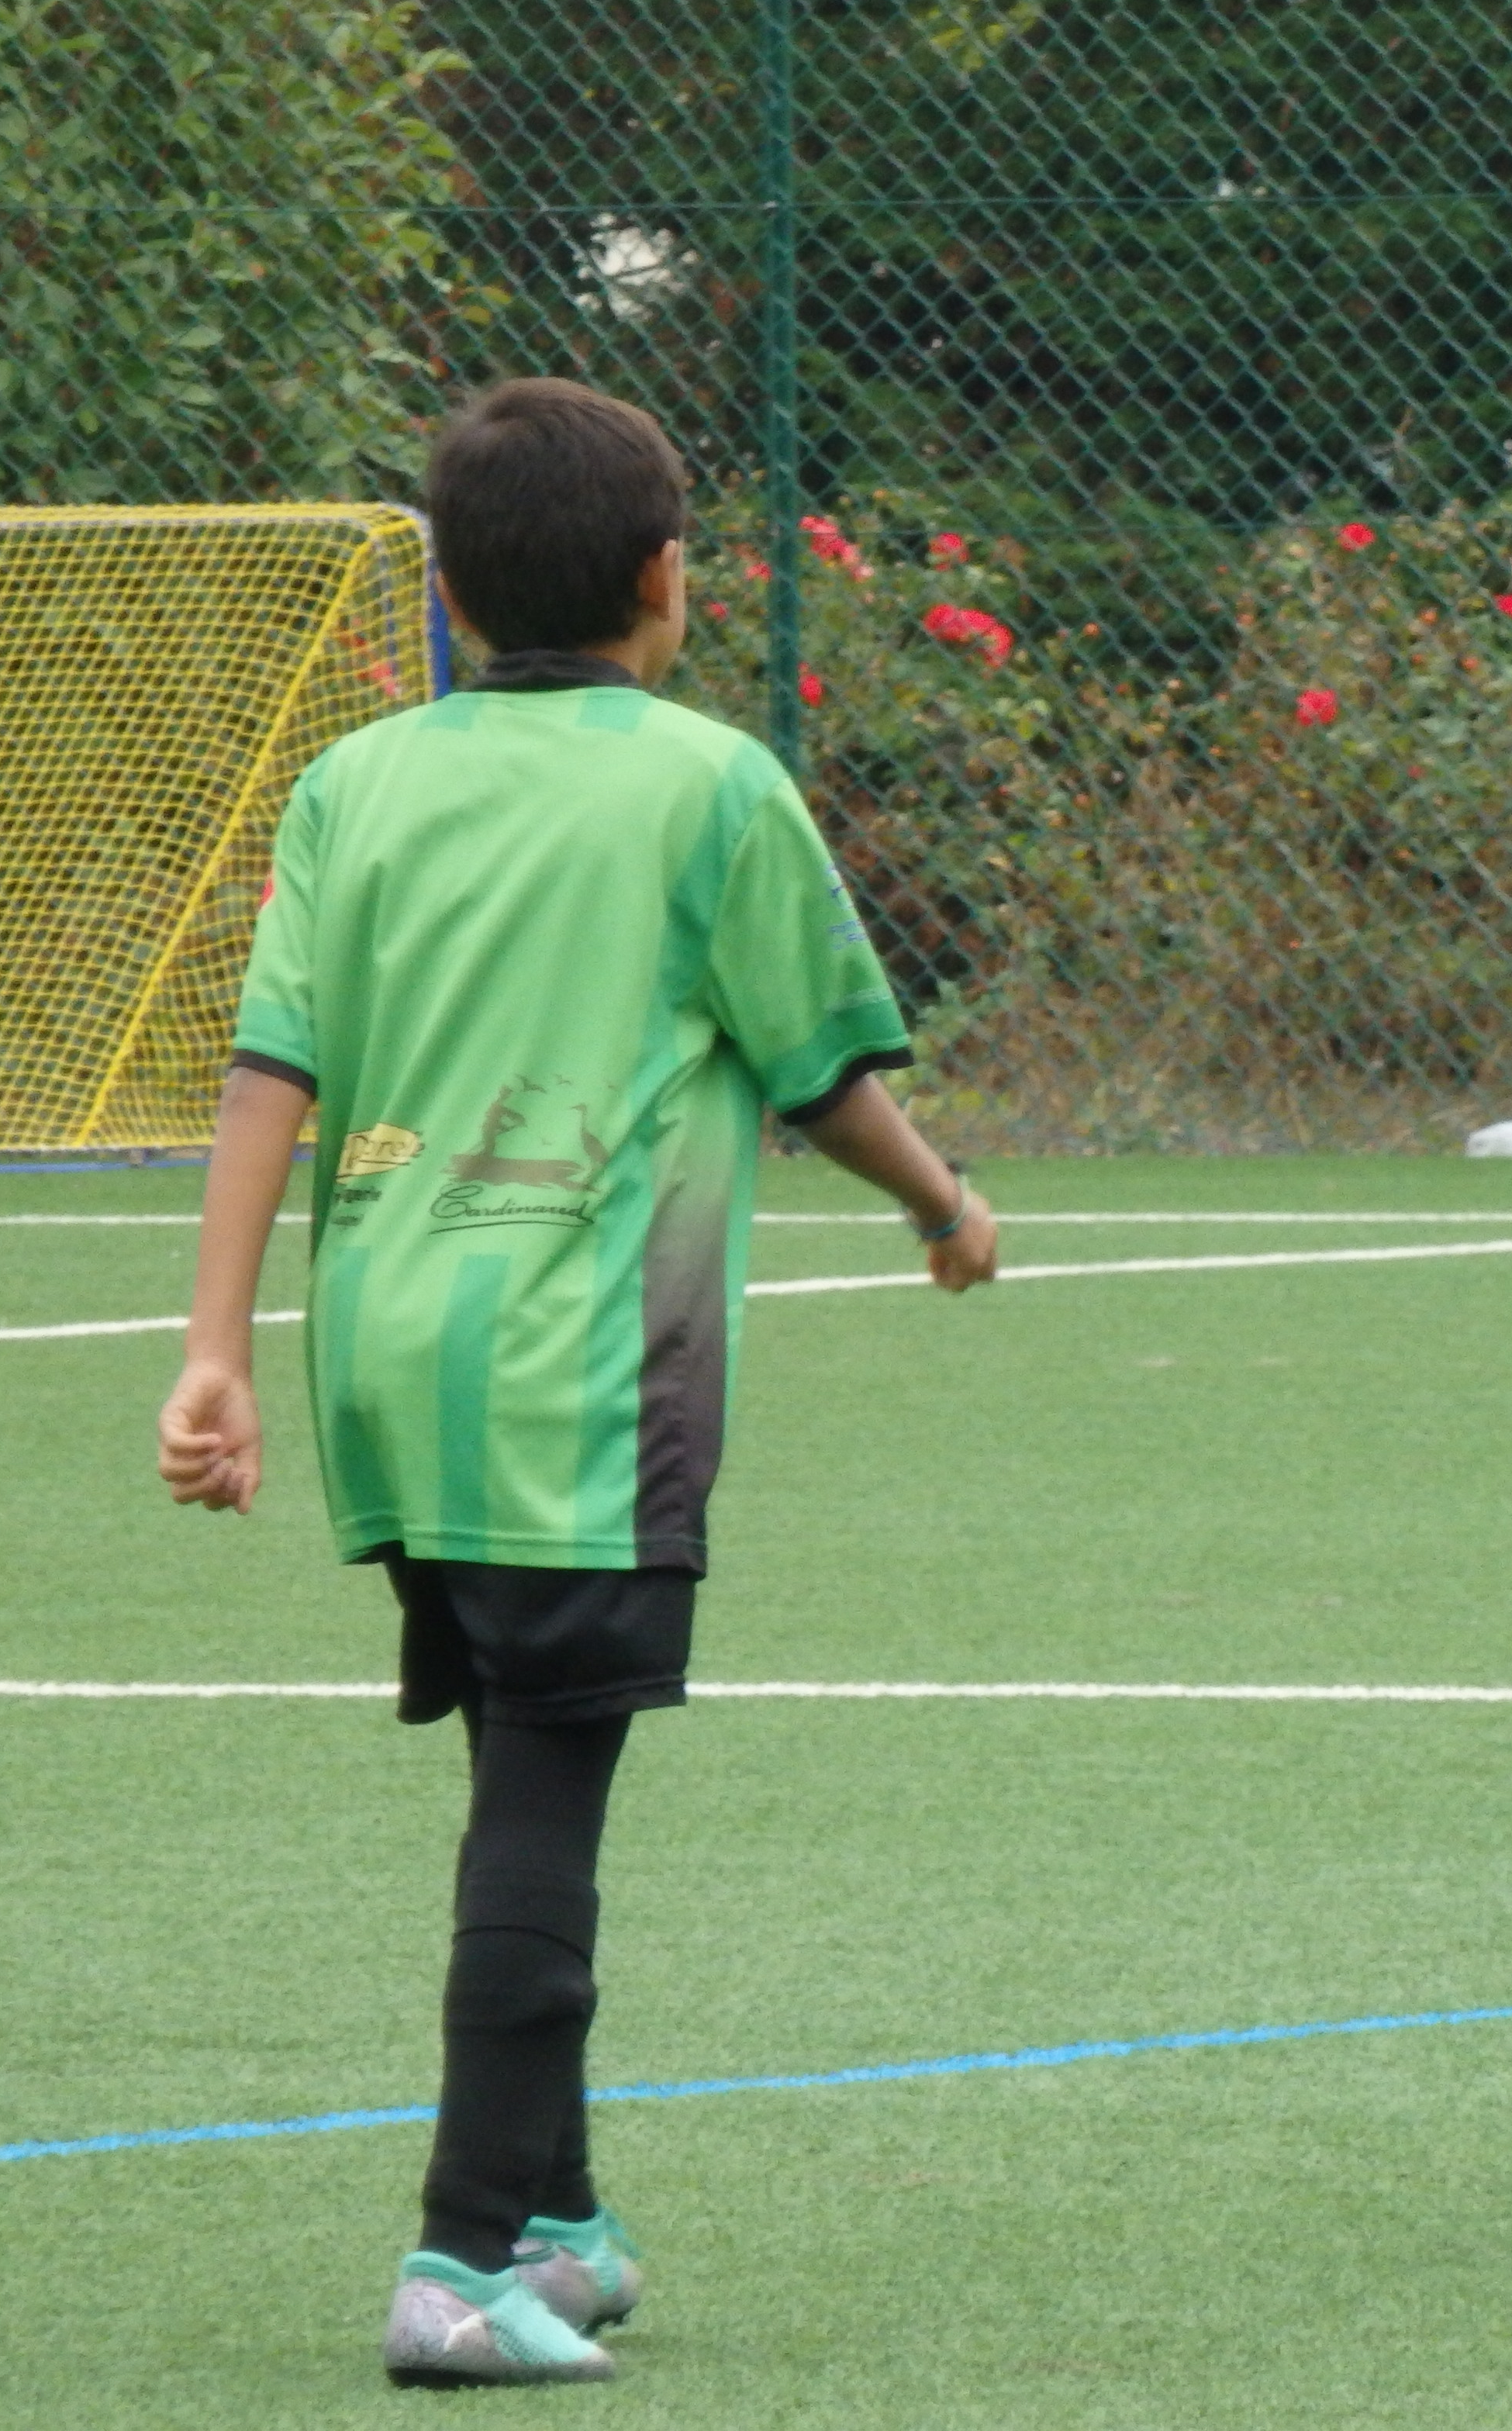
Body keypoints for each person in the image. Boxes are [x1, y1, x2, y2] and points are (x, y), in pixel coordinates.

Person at [157, 377, 999, 2386]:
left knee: (519, 1749)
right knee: (548, 1799)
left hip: (388, 1358)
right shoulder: (710, 787)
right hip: (582, 1369)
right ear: (667, 578)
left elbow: (272, 1067)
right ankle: (458, 2268)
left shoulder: (357, 785)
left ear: (445, 595)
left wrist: (212, 1350)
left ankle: (555, 2223)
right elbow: (822, 1075)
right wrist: (947, 1205)